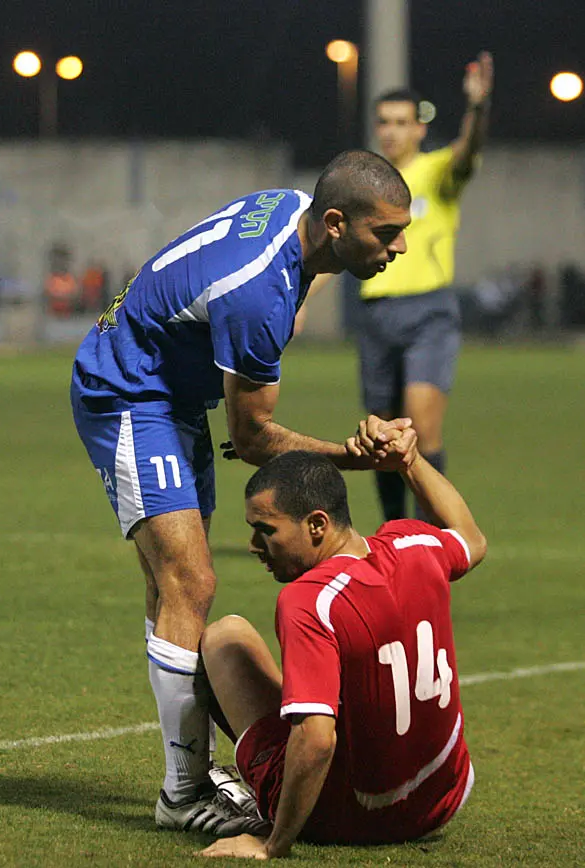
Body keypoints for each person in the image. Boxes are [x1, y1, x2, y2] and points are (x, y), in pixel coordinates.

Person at [70, 150, 412, 834]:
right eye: (385, 234)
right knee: (190, 583)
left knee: (175, 591)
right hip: (130, 392)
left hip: (172, 396)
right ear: (337, 223)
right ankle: (182, 792)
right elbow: (253, 439)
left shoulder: (290, 208)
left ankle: (191, 774)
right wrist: (356, 458)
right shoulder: (257, 292)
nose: (398, 247)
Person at [197, 419, 487, 859]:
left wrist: (273, 845)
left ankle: (230, 795)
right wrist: (408, 461)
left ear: (317, 524)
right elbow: (472, 538)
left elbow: (317, 739)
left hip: (346, 817)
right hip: (440, 801)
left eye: (266, 530)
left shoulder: (309, 600)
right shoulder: (415, 546)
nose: (255, 545)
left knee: (224, 638)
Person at [359, 52, 494, 522]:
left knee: (420, 429)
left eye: (402, 121)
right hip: (376, 316)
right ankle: (394, 530)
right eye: (384, 122)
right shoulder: (368, 185)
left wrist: (476, 108)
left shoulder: (436, 172)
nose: (392, 130)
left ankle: (427, 538)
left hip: (428, 315)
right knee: (381, 436)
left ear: (419, 128)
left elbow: (468, 151)